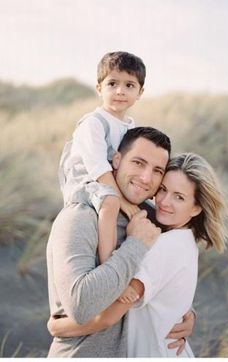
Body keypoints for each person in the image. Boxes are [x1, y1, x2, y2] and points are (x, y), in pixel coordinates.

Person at [48, 152, 228, 357]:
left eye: (179, 197)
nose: (164, 202)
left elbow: (109, 317)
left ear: (196, 208)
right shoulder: (182, 239)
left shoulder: (165, 246)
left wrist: (57, 328)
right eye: (163, 190)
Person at [59, 51, 145, 264]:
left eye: (129, 85)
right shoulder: (94, 123)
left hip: (110, 182)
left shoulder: (130, 126)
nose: (120, 91)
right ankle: (107, 260)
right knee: (111, 201)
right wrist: (124, 202)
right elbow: (97, 168)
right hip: (87, 182)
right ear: (99, 88)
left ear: (140, 92)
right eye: (112, 83)